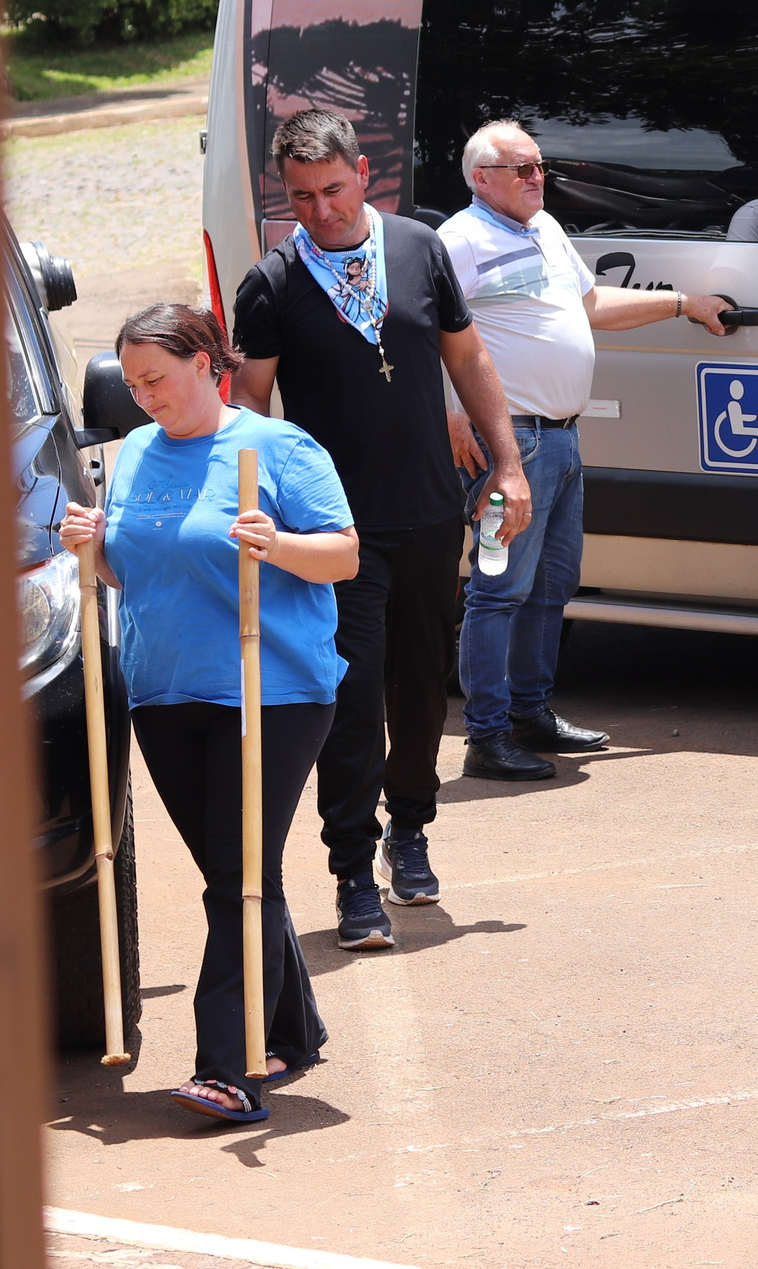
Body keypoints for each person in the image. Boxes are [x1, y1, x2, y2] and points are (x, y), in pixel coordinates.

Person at [231, 108, 532, 949]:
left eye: (332, 190)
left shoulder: (418, 249)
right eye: (300, 198)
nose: (319, 210)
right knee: (353, 699)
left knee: (420, 685)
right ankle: (353, 870)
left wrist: (506, 465)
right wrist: (270, 504)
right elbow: (249, 400)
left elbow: (468, 358)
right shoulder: (273, 283)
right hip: (335, 532)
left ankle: (411, 826)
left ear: (364, 174)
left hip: (432, 512)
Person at [61, 304, 360, 1126]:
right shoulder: (135, 456)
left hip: (272, 692)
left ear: (206, 362)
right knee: (241, 874)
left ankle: (229, 1069)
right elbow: (136, 571)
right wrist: (92, 545)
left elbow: (343, 553)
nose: (144, 396)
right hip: (164, 692)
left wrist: (277, 544)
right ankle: (292, 1027)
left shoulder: (277, 448)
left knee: (235, 880)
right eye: (132, 384)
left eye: (156, 378)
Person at [439, 120, 735, 780]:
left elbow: (593, 303)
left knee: (551, 585)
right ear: (481, 177)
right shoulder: (458, 240)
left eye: (539, 165)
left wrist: (683, 303)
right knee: (496, 589)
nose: (537, 177)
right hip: (508, 447)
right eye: (521, 168)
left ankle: (530, 713)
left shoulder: (543, 230)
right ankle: (486, 735)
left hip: (563, 439)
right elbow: (420, 327)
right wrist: (450, 410)